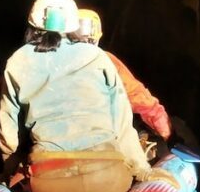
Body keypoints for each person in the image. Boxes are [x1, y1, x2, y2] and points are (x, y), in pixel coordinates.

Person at [0, 0, 168, 192]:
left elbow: (8, 131)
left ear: (32, 25)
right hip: (109, 180)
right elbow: (123, 125)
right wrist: (142, 169)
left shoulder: (17, 62)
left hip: (49, 185)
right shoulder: (98, 57)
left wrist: (10, 173)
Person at [72, 9, 173, 160]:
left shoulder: (44, 61)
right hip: (99, 149)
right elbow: (141, 99)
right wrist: (169, 136)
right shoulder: (105, 61)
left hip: (52, 150)